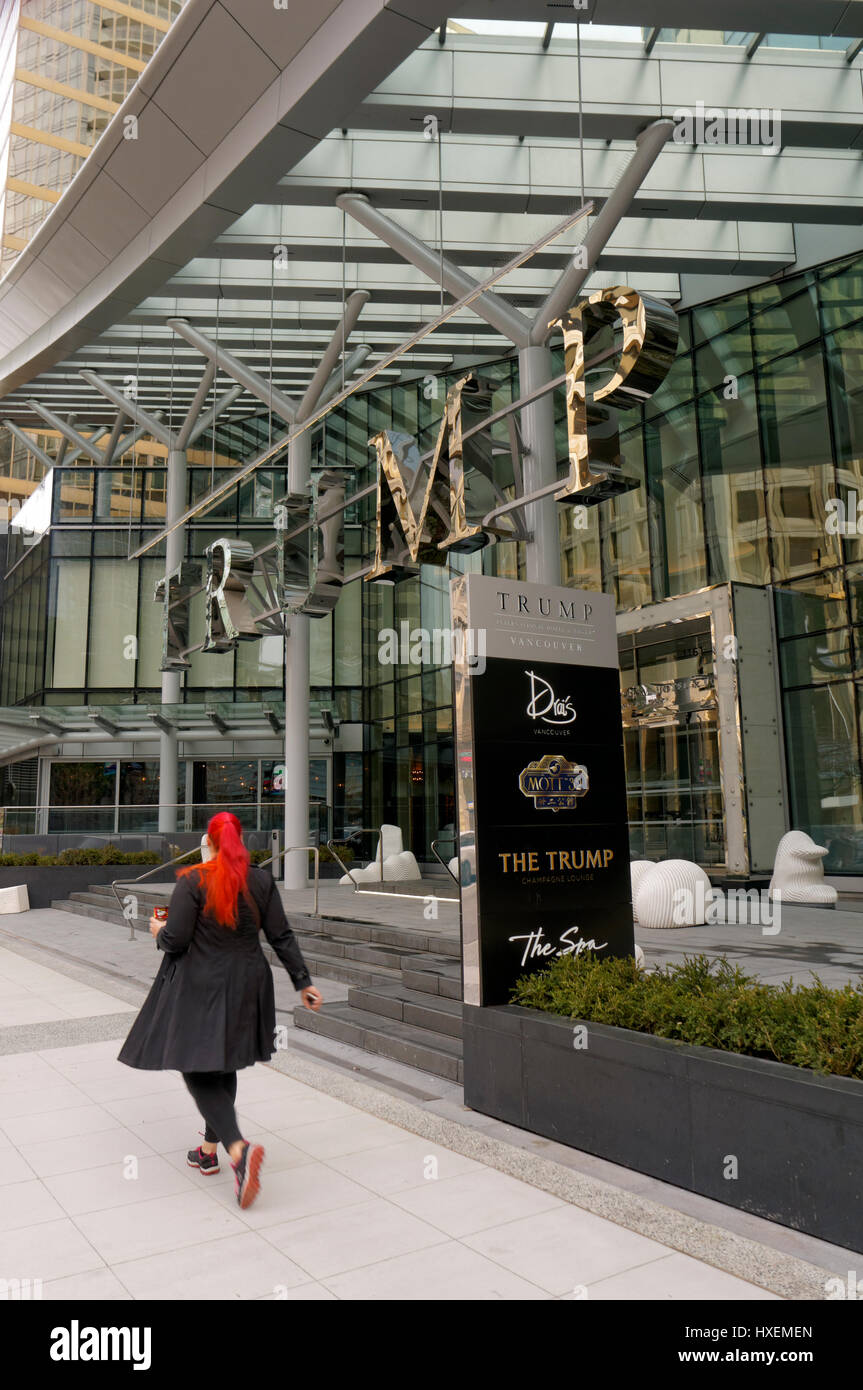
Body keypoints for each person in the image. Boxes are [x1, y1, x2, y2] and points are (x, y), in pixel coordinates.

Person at [117, 812, 321, 1209]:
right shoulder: (261, 880)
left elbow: (176, 940)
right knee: (222, 1061)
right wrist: (303, 982)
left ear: (208, 843)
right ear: (239, 842)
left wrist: (158, 932)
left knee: (194, 1064)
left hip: (203, 984)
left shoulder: (193, 880)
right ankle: (210, 1150)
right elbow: (280, 934)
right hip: (249, 982)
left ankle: (237, 1148)